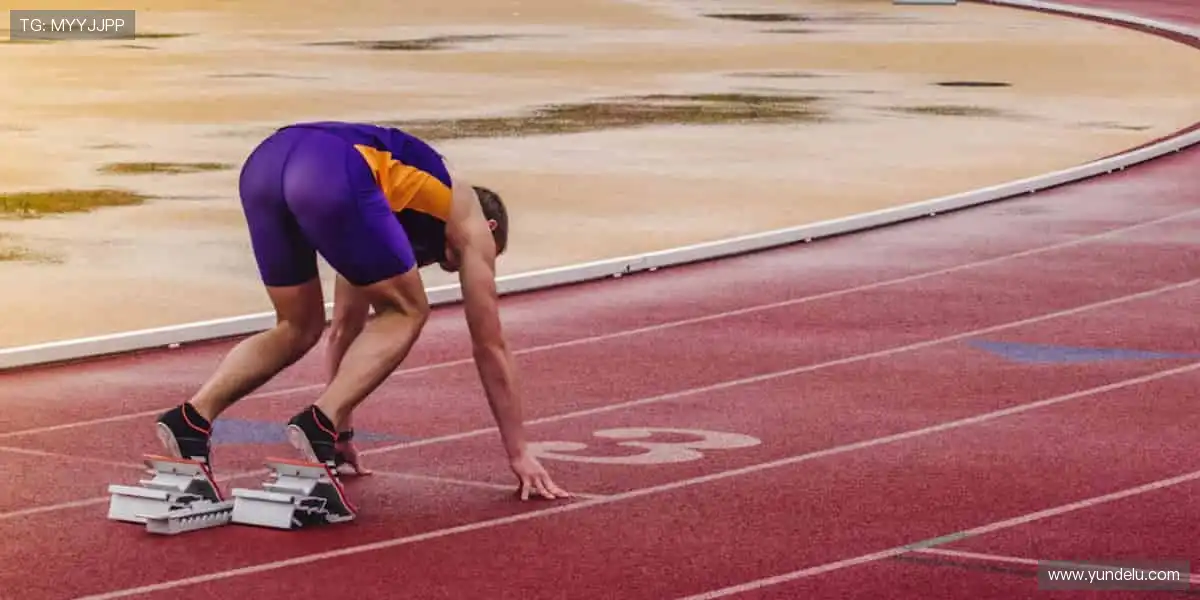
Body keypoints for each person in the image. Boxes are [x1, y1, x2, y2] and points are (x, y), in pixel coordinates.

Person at [152, 121, 571, 501]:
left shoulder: (380, 212)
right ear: (491, 230)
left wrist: (343, 430)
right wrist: (519, 453)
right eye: (481, 258)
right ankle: (318, 423)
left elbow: (345, 328)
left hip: (266, 164)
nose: (463, 267)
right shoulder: (468, 213)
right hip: (330, 168)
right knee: (410, 311)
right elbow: (490, 345)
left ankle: (192, 419)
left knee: (298, 325)